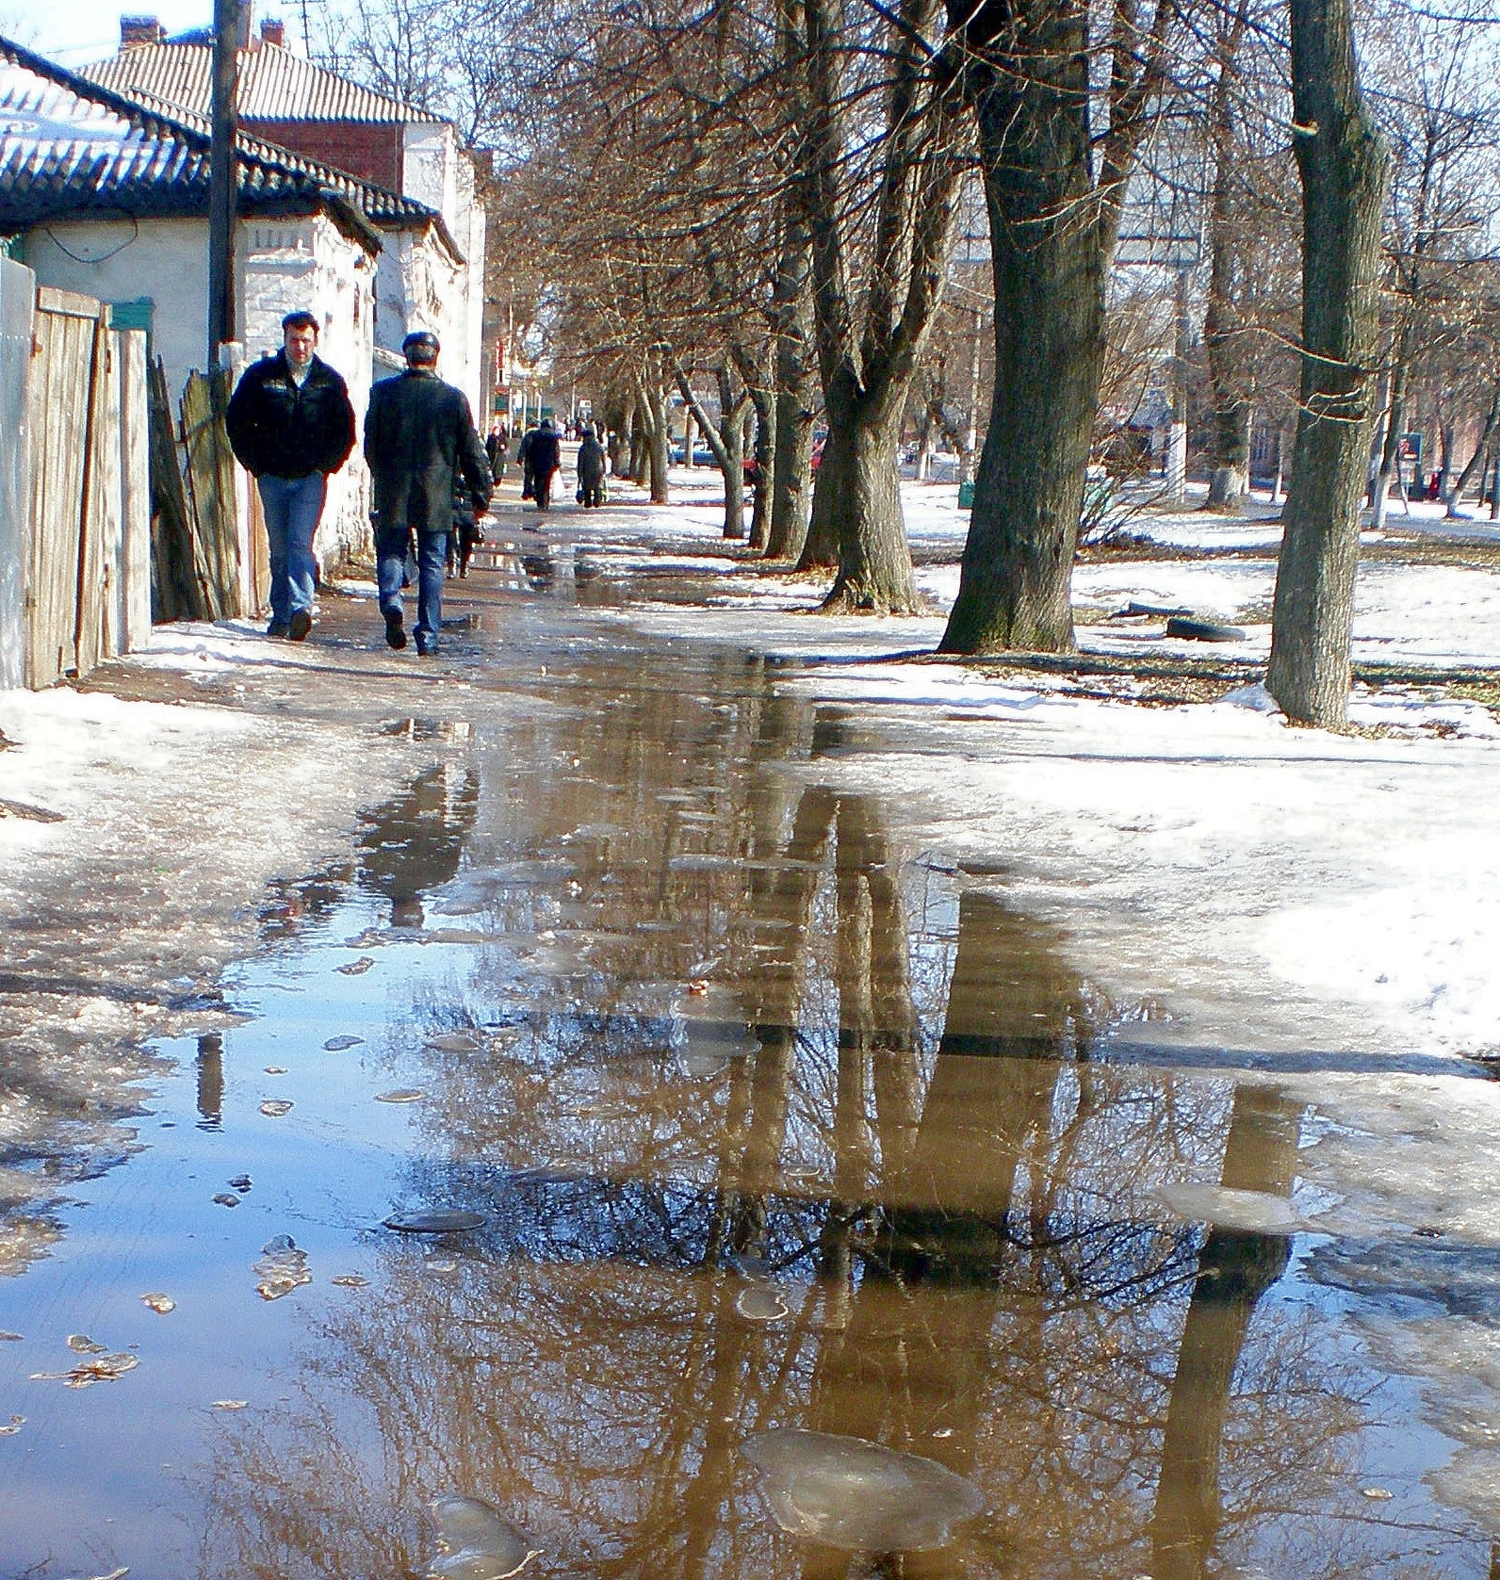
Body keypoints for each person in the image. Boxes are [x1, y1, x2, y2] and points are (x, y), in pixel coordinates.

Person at [225, 310, 356, 641]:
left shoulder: (328, 382)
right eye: (294, 340)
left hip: (309, 478)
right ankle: (281, 614)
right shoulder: (262, 377)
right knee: (279, 547)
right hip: (271, 476)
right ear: (284, 340)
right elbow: (237, 421)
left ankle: (301, 608)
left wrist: (326, 465)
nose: (300, 347)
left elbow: (345, 429)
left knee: (300, 542)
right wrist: (255, 463)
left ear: (315, 341)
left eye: (306, 340)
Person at [364, 330, 491, 657]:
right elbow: (471, 451)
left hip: (393, 489)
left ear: (407, 357)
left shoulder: (383, 394)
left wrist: (383, 476)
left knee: (391, 550)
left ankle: (391, 600)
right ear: (435, 357)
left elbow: (371, 446)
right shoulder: (452, 399)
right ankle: (428, 635)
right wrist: (480, 495)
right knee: (433, 564)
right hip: (436, 495)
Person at [530, 417, 562, 510]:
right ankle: (545, 502)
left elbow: (532, 448)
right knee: (546, 484)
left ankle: (539, 500)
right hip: (549, 463)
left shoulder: (536, 434)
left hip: (537, 462)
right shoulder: (553, 436)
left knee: (538, 481)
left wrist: (531, 460)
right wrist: (557, 462)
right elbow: (556, 451)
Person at [577, 424, 607, 508]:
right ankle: (597, 501)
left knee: (587, 488)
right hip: (598, 470)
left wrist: (579, 474)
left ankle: (588, 502)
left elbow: (580, 462)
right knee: (597, 487)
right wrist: (604, 469)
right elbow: (603, 458)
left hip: (586, 471)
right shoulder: (599, 446)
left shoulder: (583, 447)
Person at [517, 418, 539, 500]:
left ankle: (527, 492)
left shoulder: (527, 435)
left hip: (529, 458)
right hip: (538, 459)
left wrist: (519, 459)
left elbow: (523, 447)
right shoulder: (539, 434)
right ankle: (536, 493)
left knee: (528, 477)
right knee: (537, 477)